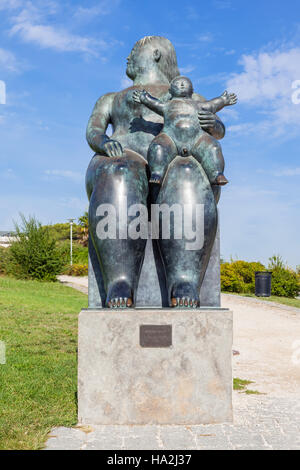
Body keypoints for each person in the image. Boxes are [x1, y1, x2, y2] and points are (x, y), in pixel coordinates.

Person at [86, 36, 226, 308]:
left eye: (133, 52)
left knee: (186, 172)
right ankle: (120, 279)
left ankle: (184, 278)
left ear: (157, 54)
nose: (127, 59)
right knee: (121, 172)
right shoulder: (112, 98)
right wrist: (104, 142)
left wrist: (214, 124)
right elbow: (94, 130)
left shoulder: (191, 98)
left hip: (176, 156)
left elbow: (217, 130)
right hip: (123, 156)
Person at [133, 76, 237, 185]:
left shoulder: (200, 105)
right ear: (170, 91)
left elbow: (212, 104)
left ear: (192, 91)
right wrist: (144, 98)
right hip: (171, 138)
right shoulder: (167, 105)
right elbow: (155, 103)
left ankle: (217, 173)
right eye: (177, 83)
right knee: (158, 146)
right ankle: (157, 173)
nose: (182, 85)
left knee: (213, 147)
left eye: (185, 83)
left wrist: (223, 100)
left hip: (198, 139)